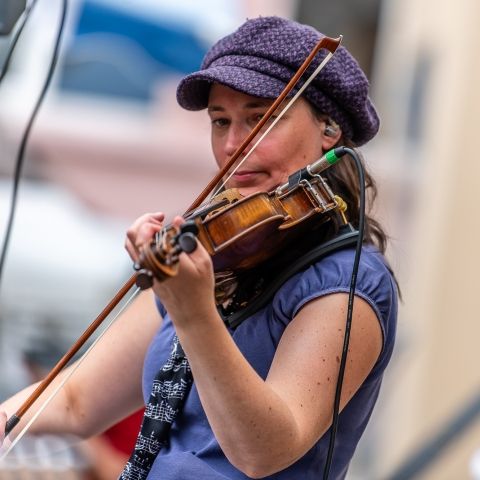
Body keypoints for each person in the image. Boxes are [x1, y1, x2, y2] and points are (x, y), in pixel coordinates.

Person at [0, 16, 398, 480]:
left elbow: (264, 452)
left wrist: (193, 313)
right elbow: (74, 402)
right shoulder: (217, 256)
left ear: (329, 130)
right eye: (220, 121)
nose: (233, 145)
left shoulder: (346, 283)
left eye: (260, 119)